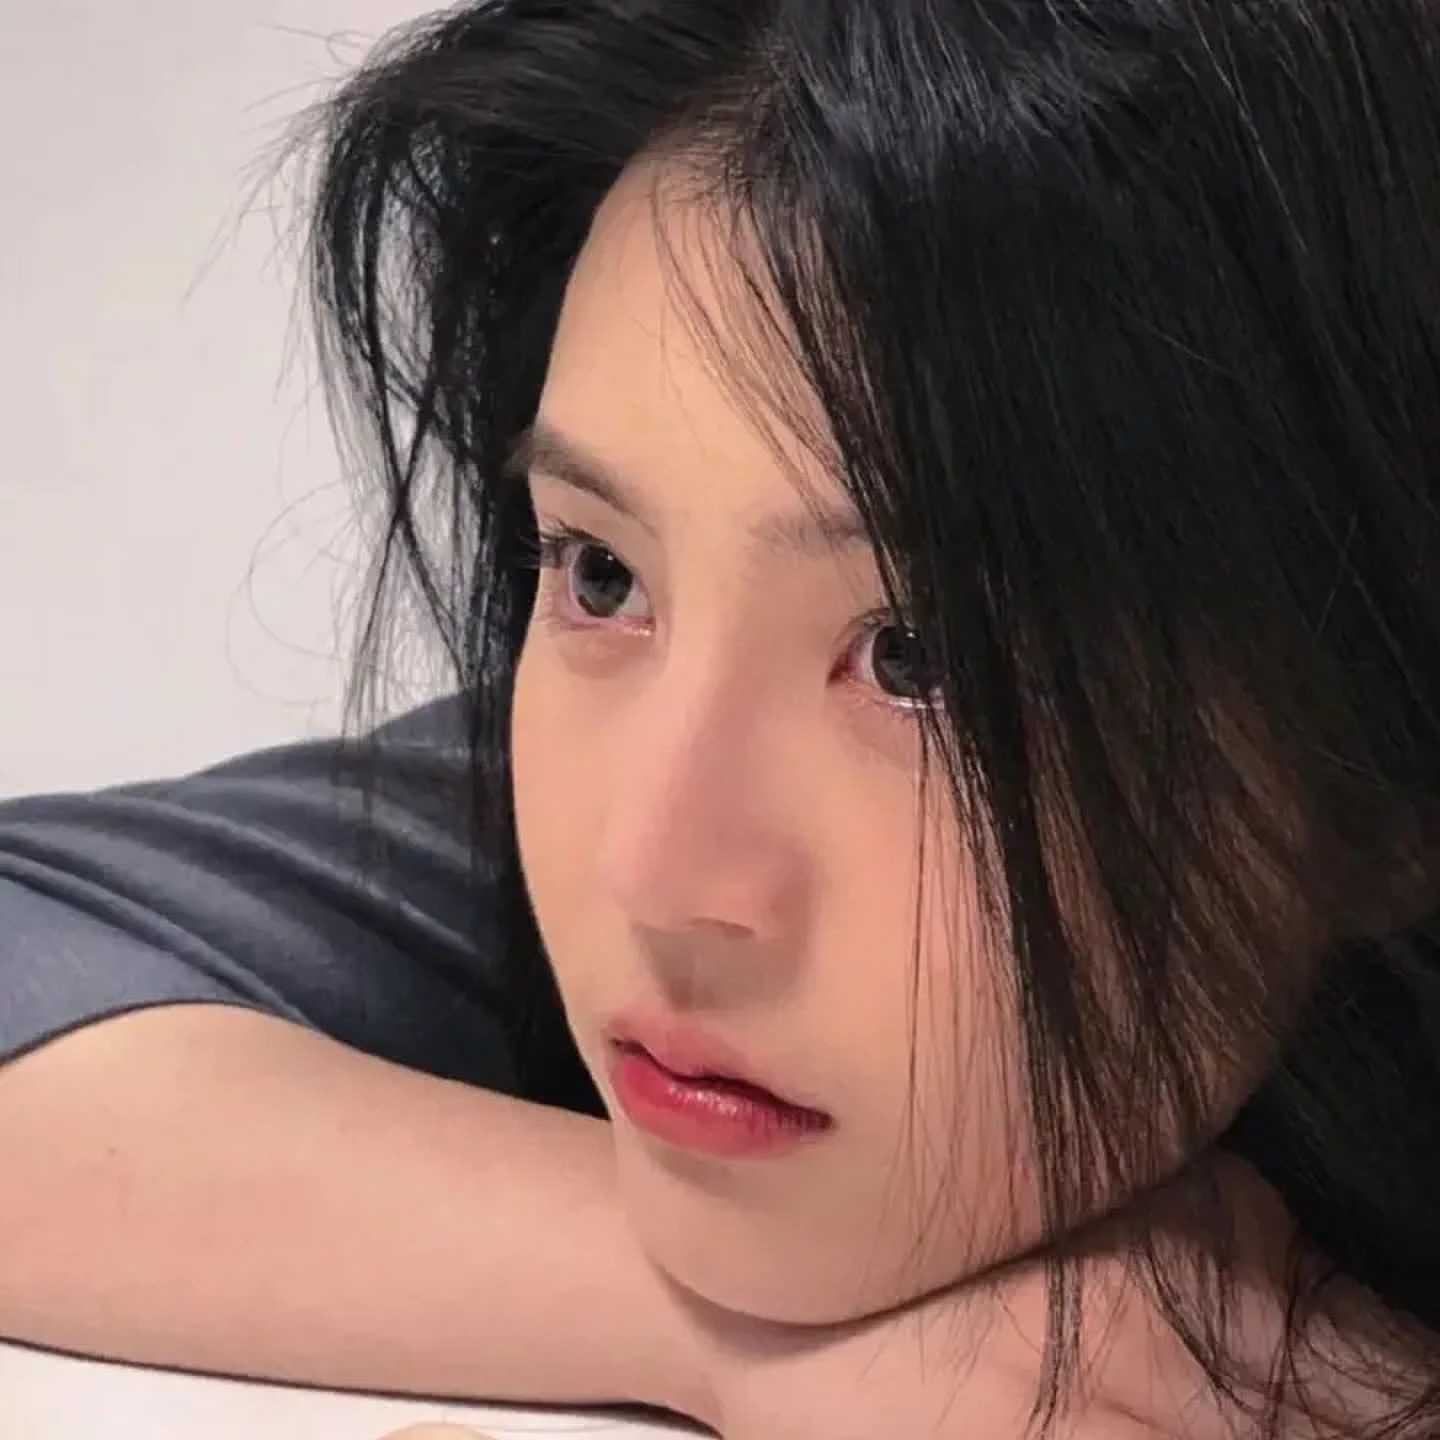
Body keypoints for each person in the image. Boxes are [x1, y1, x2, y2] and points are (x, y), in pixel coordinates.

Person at [5, 0, 1440, 1435]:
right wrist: (762, 1343)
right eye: (602, 572)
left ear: (1388, 775)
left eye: (920, 659)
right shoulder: (602, 776)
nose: (655, 869)